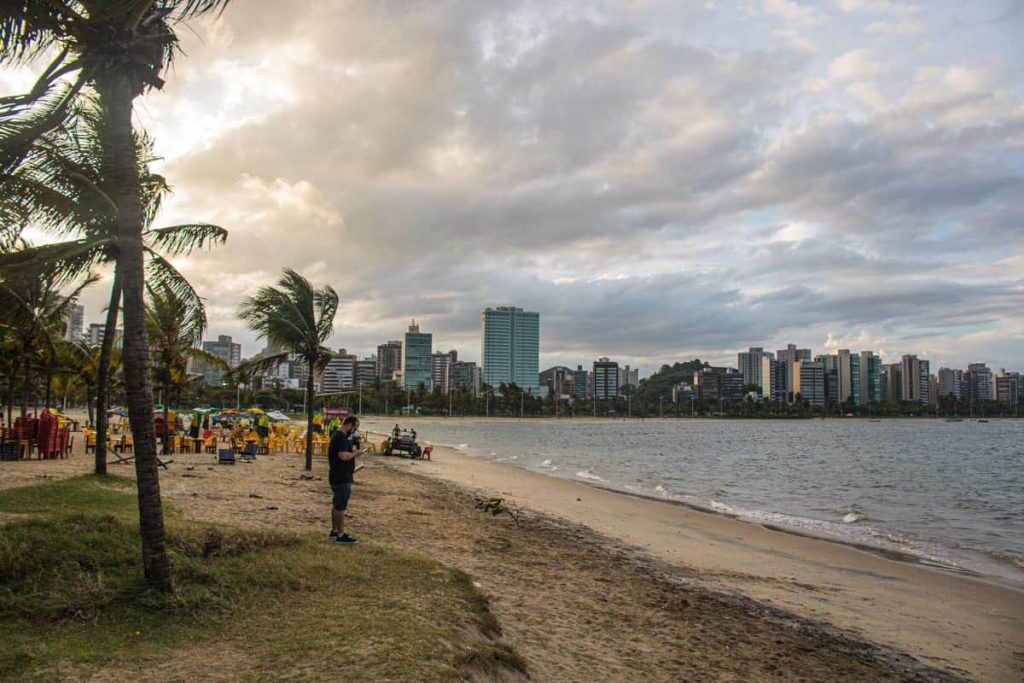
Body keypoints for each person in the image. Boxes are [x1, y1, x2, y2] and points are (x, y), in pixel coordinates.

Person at [328, 415, 366, 545]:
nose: (355, 431)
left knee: (336, 505)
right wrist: (356, 454)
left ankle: (334, 531)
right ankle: (340, 535)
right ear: (349, 425)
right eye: (355, 428)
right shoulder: (339, 438)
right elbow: (343, 456)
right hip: (341, 477)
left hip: (338, 475)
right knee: (340, 508)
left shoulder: (339, 437)